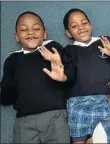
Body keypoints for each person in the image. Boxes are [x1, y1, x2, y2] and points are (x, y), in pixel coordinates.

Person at [39, 8, 110, 143]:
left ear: (90, 25)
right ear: (68, 33)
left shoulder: (104, 41)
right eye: (74, 26)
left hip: (106, 101)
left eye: (84, 23)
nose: (81, 28)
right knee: (78, 140)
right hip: (78, 104)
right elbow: (70, 75)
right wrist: (63, 78)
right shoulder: (68, 51)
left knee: (108, 137)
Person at [0, 11, 70, 143]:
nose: (30, 32)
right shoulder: (12, 60)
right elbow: (7, 96)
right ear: (16, 37)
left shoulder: (53, 48)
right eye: (23, 29)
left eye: (36, 28)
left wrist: (63, 77)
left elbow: (72, 73)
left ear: (44, 34)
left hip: (55, 116)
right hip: (24, 121)